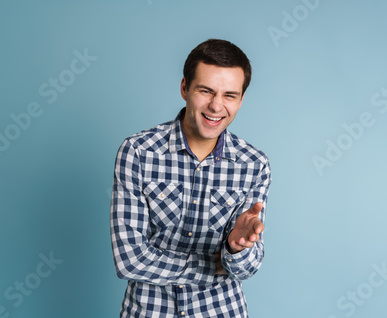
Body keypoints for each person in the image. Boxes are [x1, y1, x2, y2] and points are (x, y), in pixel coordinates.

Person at [110, 39, 272, 317]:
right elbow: (130, 260)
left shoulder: (254, 165)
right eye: (206, 91)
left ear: (241, 99)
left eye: (229, 95)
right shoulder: (138, 151)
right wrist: (214, 266)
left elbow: (247, 268)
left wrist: (235, 249)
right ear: (185, 88)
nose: (216, 106)